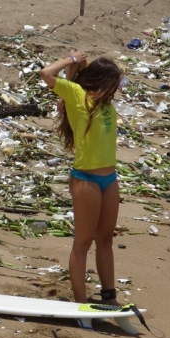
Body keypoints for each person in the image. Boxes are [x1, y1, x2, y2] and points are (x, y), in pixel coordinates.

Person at [40, 51, 123, 307]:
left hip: (109, 178)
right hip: (86, 180)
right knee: (83, 242)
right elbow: (46, 73)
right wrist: (71, 58)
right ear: (103, 81)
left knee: (106, 239)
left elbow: (85, 70)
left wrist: (81, 63)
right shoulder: (77, 96)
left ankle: (109, 296)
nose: (118, 88)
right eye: (114, 82)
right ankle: (80, 302)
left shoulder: (106, 103)